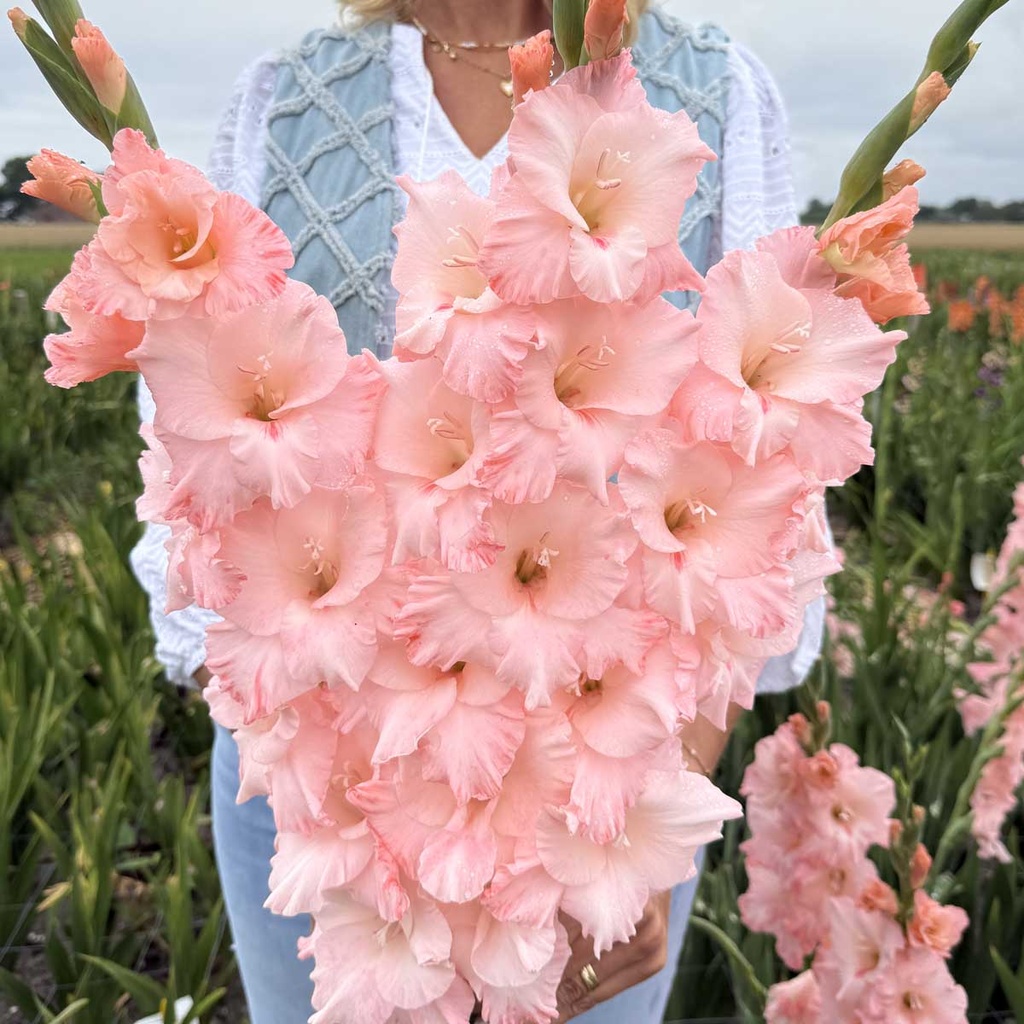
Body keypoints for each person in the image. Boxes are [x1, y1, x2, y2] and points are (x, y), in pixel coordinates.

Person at [129, 1, 824, 1021]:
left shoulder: (710, 92)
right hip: (321, 788)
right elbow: (190, 460)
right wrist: (331, 795)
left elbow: (776, 481)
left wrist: (618, 832)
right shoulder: (284, 99)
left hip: (608, 781)